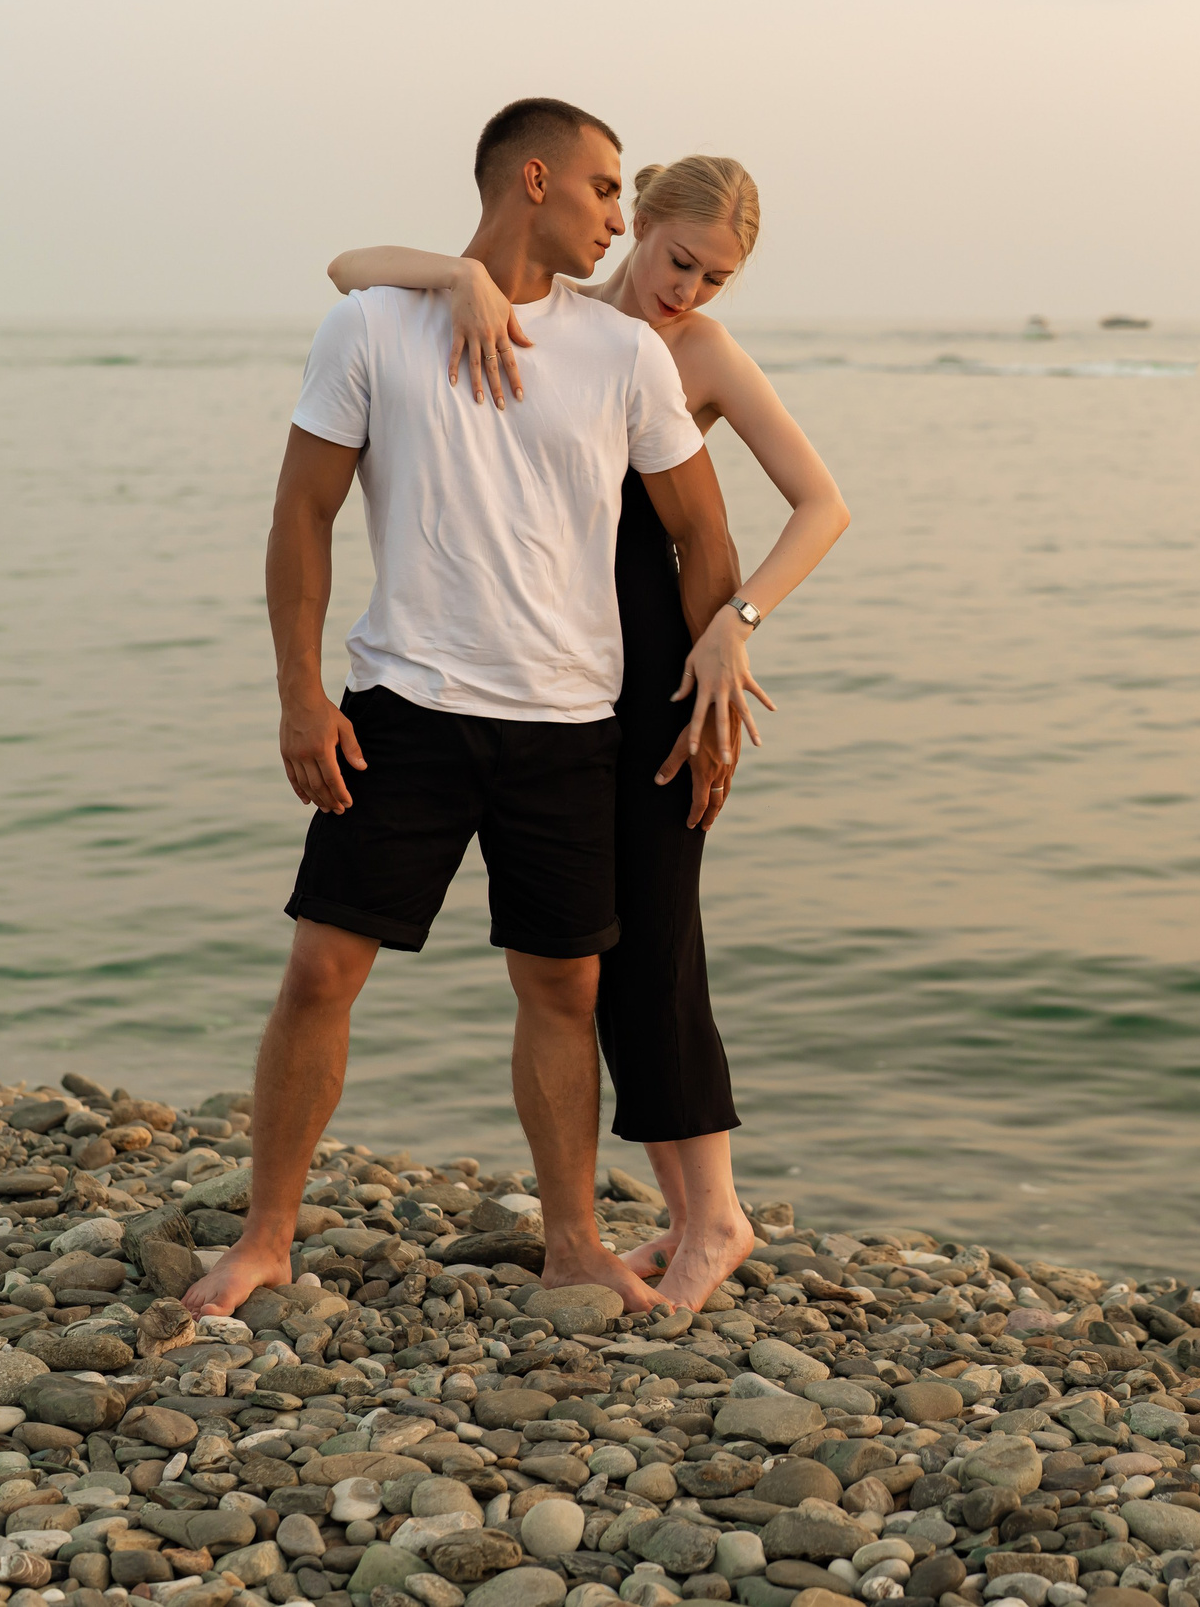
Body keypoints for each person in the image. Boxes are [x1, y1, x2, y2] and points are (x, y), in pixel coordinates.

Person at [184, 98, 772, 1320]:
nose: (620, 215)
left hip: (569, 724)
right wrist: (300, 692)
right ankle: (266, 1239)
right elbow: (302, 516)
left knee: (564, 990)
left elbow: (703, 533)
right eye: (609, 191)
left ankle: (571, 1242)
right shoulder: (373, 325)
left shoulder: (624, 357)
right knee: (320, 971)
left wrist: (707, 706)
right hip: (402, 703)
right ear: (539, 181)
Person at [324, 155, 849, 1311]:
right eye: (677, 261)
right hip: (560, 671)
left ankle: (714, 1215)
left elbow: (824, 503)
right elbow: (349, 268)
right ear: (635, 224)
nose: (691, 291)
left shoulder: (695, 355)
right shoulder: (539, 314)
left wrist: (736, 628)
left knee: (657, 938)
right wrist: (462, 275)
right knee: (594, 953)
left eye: (716, 277)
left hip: (667, 669)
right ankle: (686, 1208)